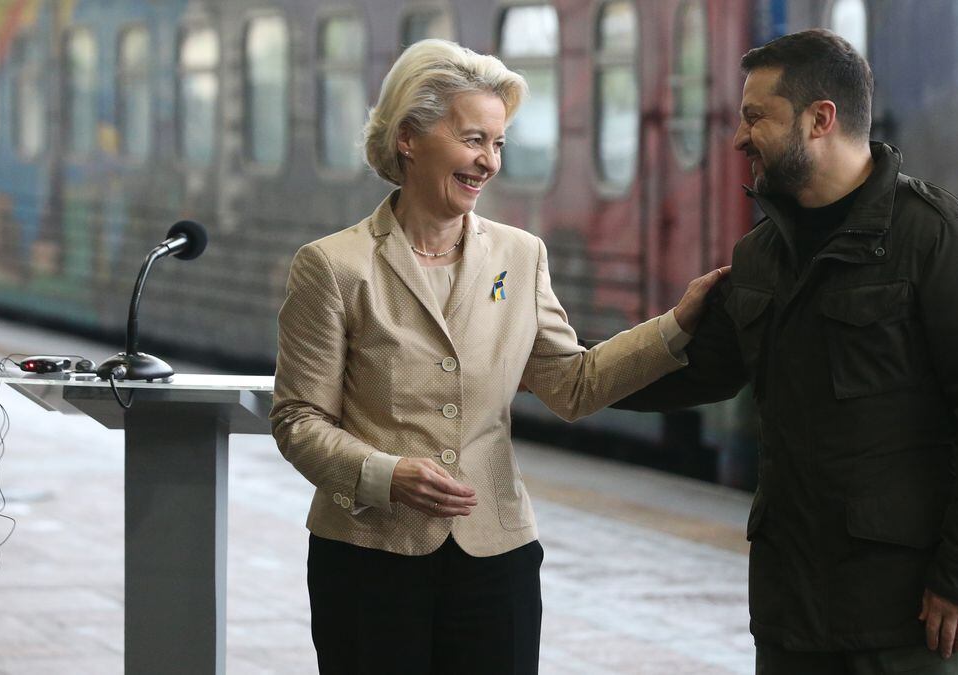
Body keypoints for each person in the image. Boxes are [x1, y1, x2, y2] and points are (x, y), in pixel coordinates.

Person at [269, 39, 724, 674]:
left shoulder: (520, 256)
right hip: (369, 559)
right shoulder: (334, 266)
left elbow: (571, 384)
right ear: (409, 137)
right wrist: (386, 473)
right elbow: (297, 421)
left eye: (499, 144)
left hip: (496, 558)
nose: (489, 162)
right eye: (473, 139)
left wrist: (675, 327)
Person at [616, 29, 958, 674]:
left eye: (756, 117)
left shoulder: (937, 240)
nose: (737, 139)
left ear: (820, 120)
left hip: (910, 622)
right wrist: (547, 366)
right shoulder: (761, 255)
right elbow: (696, 371)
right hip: (793, 617)